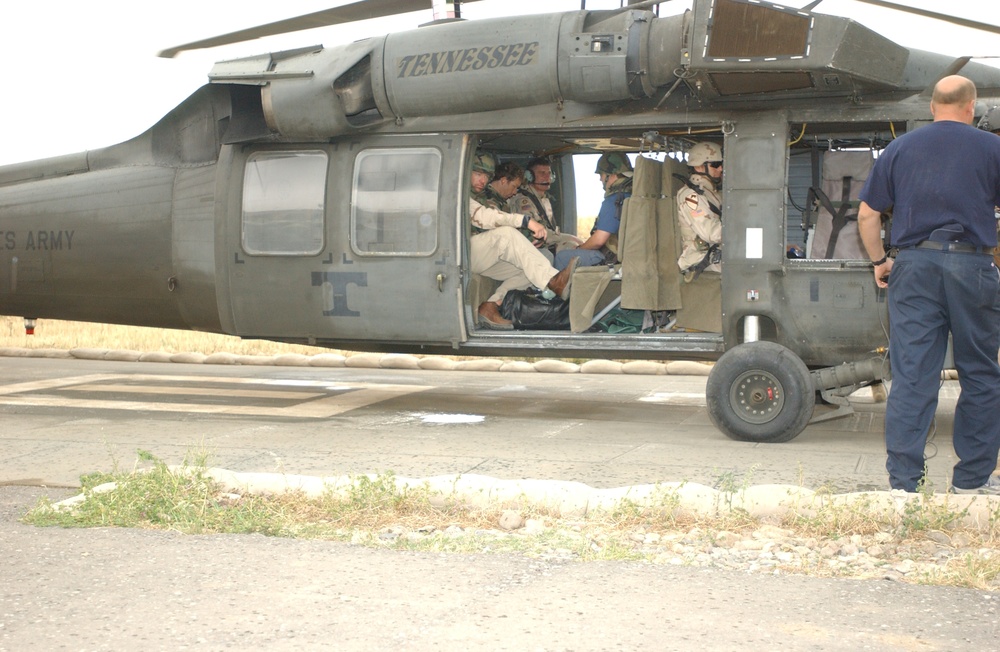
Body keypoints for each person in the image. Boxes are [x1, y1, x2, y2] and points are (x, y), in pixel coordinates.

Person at [857, 74, 1000, 494]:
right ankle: (971, 482)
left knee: (914, 375)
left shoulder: (899, 148)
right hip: (972, 266)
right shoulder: (992, 148)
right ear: (970, 107)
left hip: (913, 265)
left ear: (933, 107)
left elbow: (867, 215)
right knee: (980, 374)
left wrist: (880, 261)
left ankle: (904, 487)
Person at [469, 152, 578, 329]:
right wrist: (525, 221)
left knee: (527, 268)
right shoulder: (459, 193)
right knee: (507, 234)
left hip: (478, 256)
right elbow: (484, 217)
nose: (483, 180)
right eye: (478, 174)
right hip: (460, 253)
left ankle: (491, 305)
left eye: (486, 176)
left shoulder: (480, 195)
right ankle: (552, 280)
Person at [553, 152, 633, 270]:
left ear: (610, 175)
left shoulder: (614, 201)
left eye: (601, 174)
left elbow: (598, 241)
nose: (600, 178)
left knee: (561, 257)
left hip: (611, 258)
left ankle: (561, 289)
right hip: (627, 256)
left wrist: (579, 249)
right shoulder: (633, 196)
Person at [508, 157, 581, 259]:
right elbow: (533, 233)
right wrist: (568, 238)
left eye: (549, 173)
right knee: (572, 245)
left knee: (574, 245)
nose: (547, 178)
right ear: (530, 176)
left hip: (546, 243)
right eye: (542, 173)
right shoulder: (523, 201)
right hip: (532, 247)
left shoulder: (544, 199)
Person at [675, 142, 724, 280]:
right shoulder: (691, 196)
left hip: (714, 255)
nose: (720, 168)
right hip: (700, 261)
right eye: (715, 164)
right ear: (698, 166)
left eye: (721, 164)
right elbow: (711, 233)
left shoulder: (709, 193)